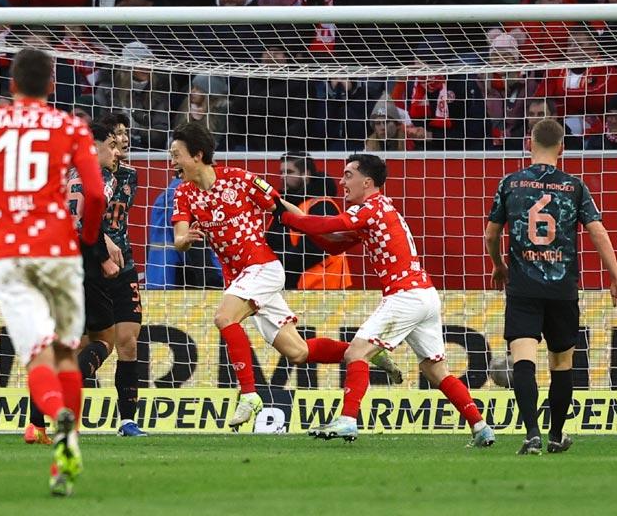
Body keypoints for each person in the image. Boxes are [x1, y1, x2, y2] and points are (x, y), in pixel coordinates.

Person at [0, 48, 106, 496]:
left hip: (7, 253)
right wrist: (87, 238)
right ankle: (67, 448)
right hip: (58, 249)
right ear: (52, 85)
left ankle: (55, 416)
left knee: (38, 356)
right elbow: (94, 194)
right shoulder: (71, 126)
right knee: (68, 352)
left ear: (11, 84)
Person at [168, 122, 392, 430]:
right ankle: (363, 352)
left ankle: (249, 395)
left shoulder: (241, 180)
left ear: (197, 155)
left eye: (176, 154)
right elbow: (178, 236)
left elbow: (278, 206)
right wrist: (185, 238)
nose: (172, 162)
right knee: (297, 351)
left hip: (262, 268)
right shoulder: (183, 194)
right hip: (239, 280)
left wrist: (315, 227)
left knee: (224, 318)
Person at [277, 153, 495, 447]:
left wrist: (288, 217)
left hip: (405, 295)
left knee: (356, 353)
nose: (341, 182)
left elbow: (326, 227)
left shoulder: (371, 208)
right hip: (424, 295)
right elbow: (331, 242)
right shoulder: (377, 211)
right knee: (435, 370)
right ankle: (480, 427)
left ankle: (348, 420)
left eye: (348, 175)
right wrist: (290, 215)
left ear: (366, 182)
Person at [485, 118, 617, 454]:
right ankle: (556, 435)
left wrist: (499, 265)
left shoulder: (510, 183)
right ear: (562, 148)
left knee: (523, 359)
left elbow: (491, 234)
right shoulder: (574, 186)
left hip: (522, 287)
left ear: (528, 144)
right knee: (562, 364)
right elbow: (598, 232)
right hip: (562, 288)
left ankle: (531, 432)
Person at [66, 116, 146, 438]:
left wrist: (112, 239)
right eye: (115, 137)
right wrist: (103, 241)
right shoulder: (87, 175)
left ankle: (128, 421)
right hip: (95, 264)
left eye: (125, 135)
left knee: (128, 342)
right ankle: (68, 413)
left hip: (122, 266)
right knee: (92, 344)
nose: (122, 142)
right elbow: (87, 213)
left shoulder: (129, 176)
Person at [266, 152, 351, 291]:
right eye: (281, 172)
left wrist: (271, 262)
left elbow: (313, 250)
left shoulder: (322, 205)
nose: (282, 177)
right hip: (291, 286)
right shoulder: (284, 205)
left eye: (289, 171)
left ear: (305, 174)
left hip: (322, 289)